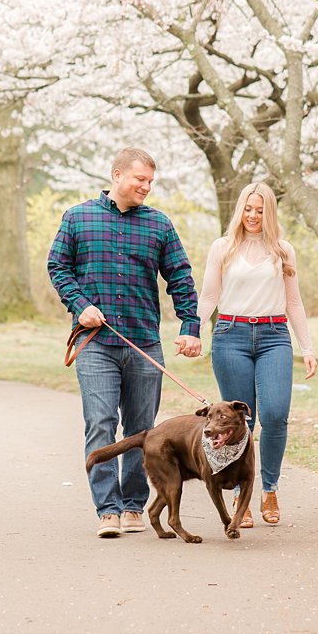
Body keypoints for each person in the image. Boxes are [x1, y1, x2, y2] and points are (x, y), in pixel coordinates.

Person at [47, 147, 203, 538]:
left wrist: (190, 324)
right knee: (101, 423)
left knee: (141, 430)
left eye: (151, 182)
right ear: (118, 175)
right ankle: (108, 510)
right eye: (140, 180)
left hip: (144, 343)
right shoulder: (78, 217)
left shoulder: (159, 225)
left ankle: (134, 505)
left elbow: (180, 276)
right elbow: (58, 266)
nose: (146, 187)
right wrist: (79, 304)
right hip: (95, 341)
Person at [198, 182, 317, 527]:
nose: (253, 216)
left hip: (274, 336)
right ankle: (241, 494)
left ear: (269, 213)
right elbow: (208, 297)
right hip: (229, 335)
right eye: (248, 209)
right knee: (238, 421)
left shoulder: (283, 250)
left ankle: (270, 488)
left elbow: (294, 301)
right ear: (240, 210)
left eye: (260, 210)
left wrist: (307, 347)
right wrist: (192, 329)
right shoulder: (223, 248)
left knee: (276, 414)